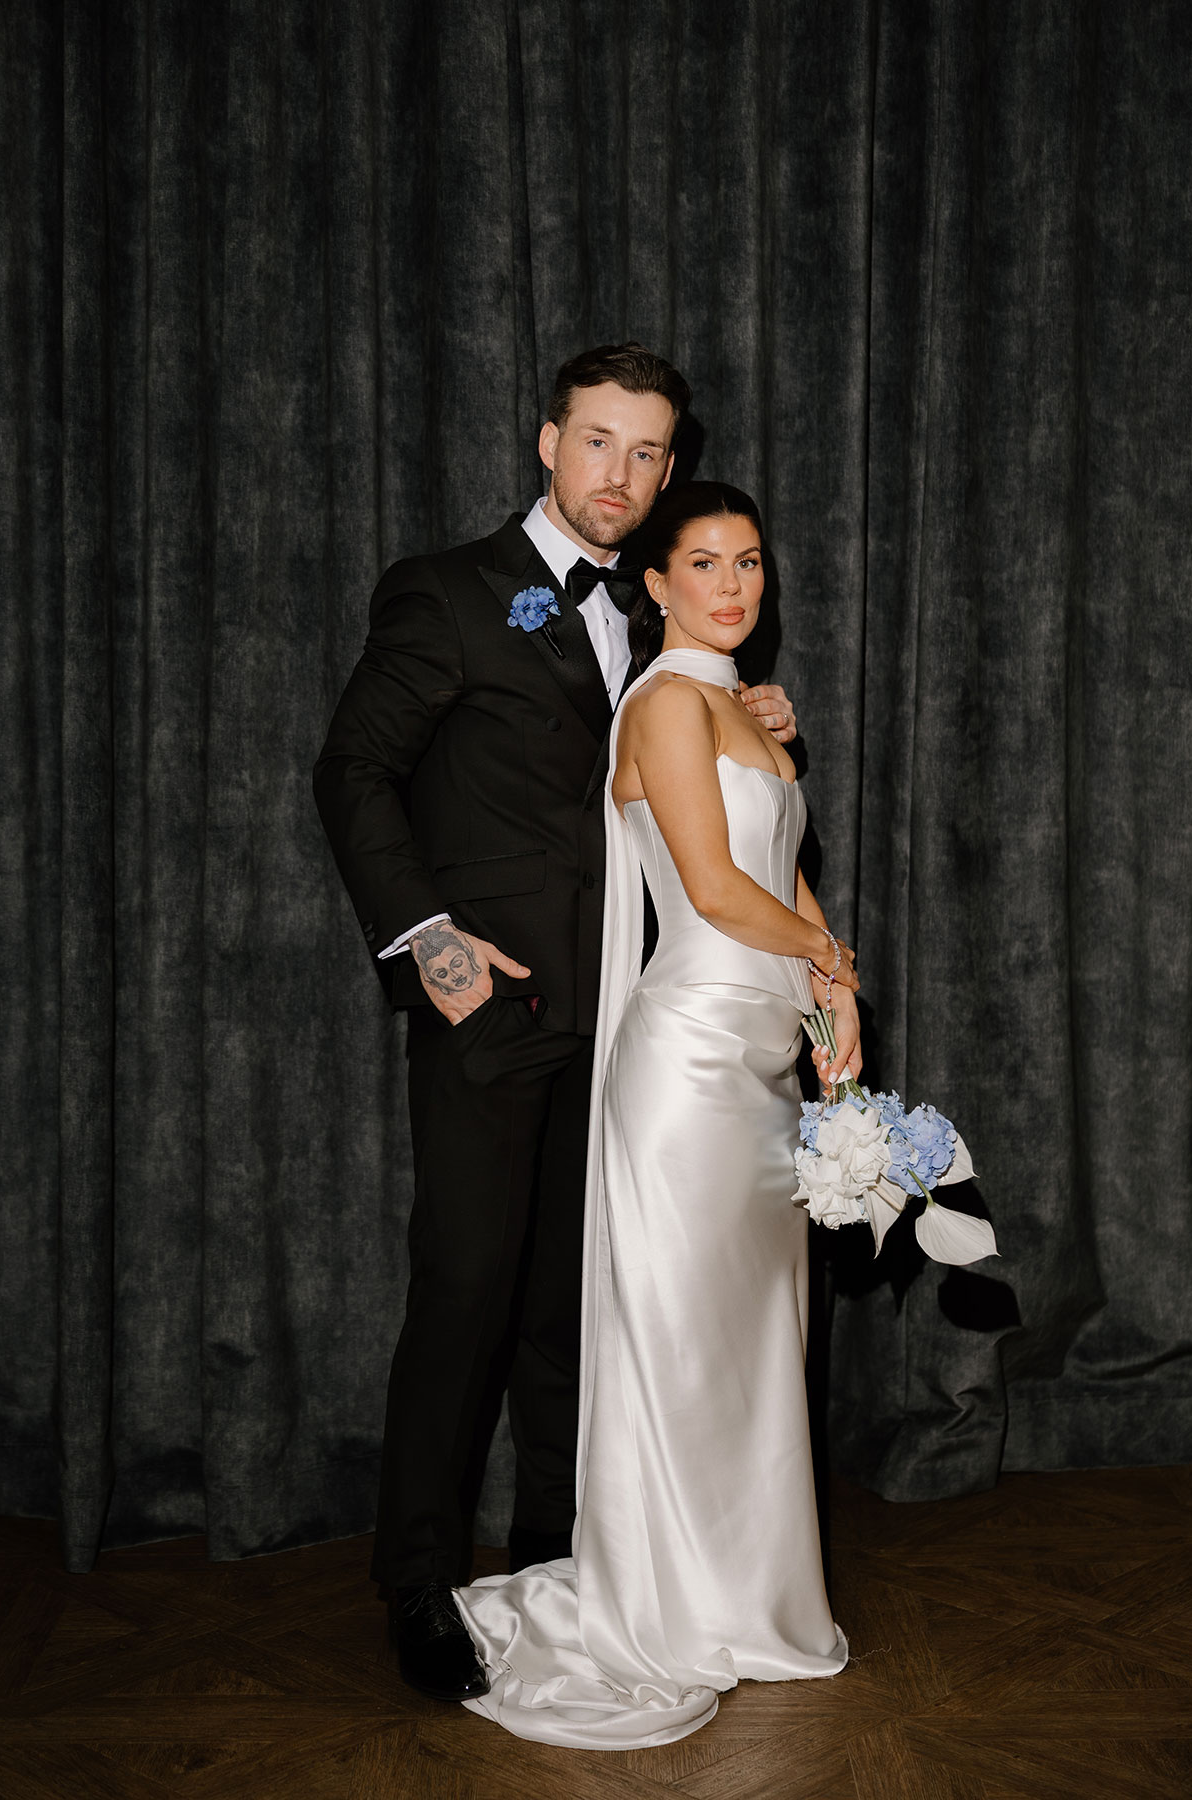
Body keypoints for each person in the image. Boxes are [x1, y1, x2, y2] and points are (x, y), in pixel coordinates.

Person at [312, 347, 801, 1703]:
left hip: (638, 1020)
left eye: (649, 454)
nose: (623, 478)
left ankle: (556, 1550)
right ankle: (415, 1584)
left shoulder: (660, 617)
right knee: (467, 1288)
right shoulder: (449, 594)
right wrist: (429, 938)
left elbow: (666, 755)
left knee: (575, 1303)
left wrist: (744, 714)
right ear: (547, 442)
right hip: (496, 1007)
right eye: (600, 444)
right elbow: (354, 765)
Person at [452, 481, 860, 1749]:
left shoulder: (750, 715)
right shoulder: (668, 704)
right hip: (684, 1062)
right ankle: (671, 1604)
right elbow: (715, 889)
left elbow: (785, 872)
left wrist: (828, 996)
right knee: (686, 1344)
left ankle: (746, 1592)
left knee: (754, 1346)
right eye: (705, 563)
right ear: (659, 583)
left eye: (750, 563)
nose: (735, 586)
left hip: (760, 1059)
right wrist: (833, 965)